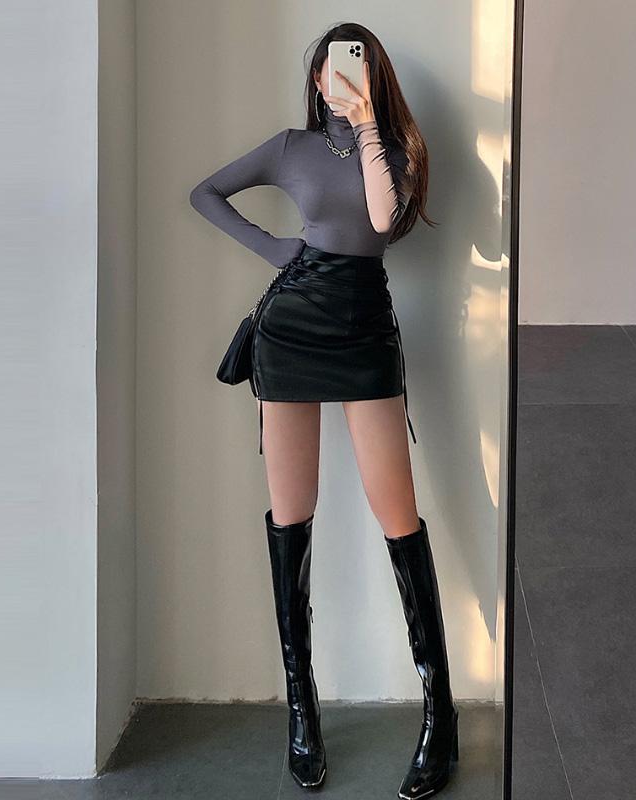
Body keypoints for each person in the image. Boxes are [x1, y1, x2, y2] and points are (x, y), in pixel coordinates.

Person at [189, 23, 458, 800]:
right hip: (290, 329)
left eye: (355, 65)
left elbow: (380, 223)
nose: (338, 78)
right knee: (291, 519)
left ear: (374, 75)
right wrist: (278, 249)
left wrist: (369, 122)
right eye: (330, 69)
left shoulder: (399, 148)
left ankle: (439, 714)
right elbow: (205, 193)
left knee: (398, 518)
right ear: (314, 80)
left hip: (364, 330)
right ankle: (301, 710)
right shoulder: (289, 148)